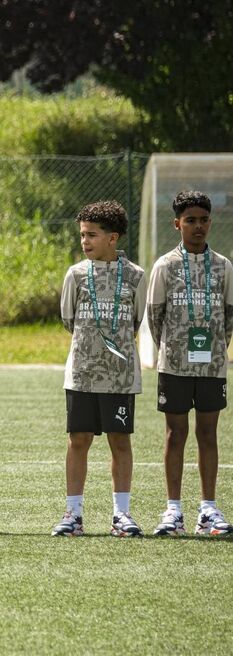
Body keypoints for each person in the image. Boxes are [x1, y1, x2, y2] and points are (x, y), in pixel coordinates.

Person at [52, 201, 146, 537]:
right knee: (78, 440)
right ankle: (73, 514)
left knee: (120, 441)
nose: (85, 241)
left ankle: (122, 515)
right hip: (81, 373)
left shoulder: (136, 276)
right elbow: (68, 319)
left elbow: (136, 319)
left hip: (119, 377)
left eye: (92, 235)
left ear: (113, 238)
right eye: (82, 235)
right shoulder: (76, 274)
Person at [147, 190, 233, 536]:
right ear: (177, 224)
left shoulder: (224, 266)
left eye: (203, 220)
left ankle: (208, 509)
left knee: (208, 433)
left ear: (210, 222)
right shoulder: (165, 266)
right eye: (191, 220)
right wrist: (171, 349)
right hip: (175, 366)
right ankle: (173, 511)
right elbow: (155, 316)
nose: (198, 227)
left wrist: (215, 349)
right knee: (175, 433)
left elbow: (229, 316)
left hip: (212, 366)